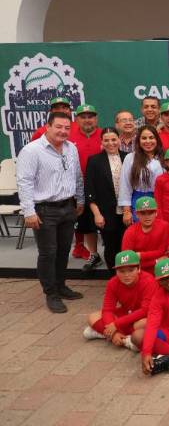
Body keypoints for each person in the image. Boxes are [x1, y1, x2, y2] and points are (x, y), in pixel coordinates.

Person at [17, 111, 85, 313]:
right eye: (58, 127)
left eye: (67, 128)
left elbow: (77, 176)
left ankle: (61, 286)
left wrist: (79, 199)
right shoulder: (31, 151)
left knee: (63, 251)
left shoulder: (71, 148)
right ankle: (51, 294)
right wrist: (28, 211)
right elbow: (24, 182)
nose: (63, 131)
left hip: (67, 207)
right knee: (48, 253)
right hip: (44, 210)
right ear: (47, 126)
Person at [83, 250, 155, 352]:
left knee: (148, 322)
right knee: (93, 316)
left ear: (139, 269)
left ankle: (103, 333)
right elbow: (108, 309)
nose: (126, 275)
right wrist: (114, 333)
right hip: (126, 314)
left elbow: (145, 310)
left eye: (131, 270)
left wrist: (116, 325)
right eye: (121, 271)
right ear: (116, 271)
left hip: (142, 316)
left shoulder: (148, 280)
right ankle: (123, 339)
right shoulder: (113, 282)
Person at [84, 127, 128, 270]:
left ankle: (128, 277)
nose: (111, 143)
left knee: (126, 245)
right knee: (110, 246)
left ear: (119, 140)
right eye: (106, 140)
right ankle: (114, 278)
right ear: (101, 142)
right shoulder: (94, 161)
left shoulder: (128, 157)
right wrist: (97, 214)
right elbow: (89, 190)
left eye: (114, 139)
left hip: (127, 210)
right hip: (105, 212)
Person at [69, 104, 103, 263]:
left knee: (106, 222)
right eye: (83, 117)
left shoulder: (105, 134)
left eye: (91, 116)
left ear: (96, 118)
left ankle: (110, 253)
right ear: (77, 119)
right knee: (88, 223)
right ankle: (93, 254)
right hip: (79, 186)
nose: (87, 120)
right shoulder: (69, 137)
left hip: (103, 186)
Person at [118, 125, 164, 224]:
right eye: (144, 138)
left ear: (157, 139)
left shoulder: (164, 157)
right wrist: (126, 211)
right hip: (138, 201)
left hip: (162, 202)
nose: (148, 141)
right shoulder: (130, 158)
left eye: (151, 138)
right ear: (138, 141)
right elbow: (125, 185)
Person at [120, 196, 169, 274]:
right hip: (138, 271)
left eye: (150, 213)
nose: (147, 217)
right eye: (143, 213)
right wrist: (156, 260)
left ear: (156, 213)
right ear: (136, 214)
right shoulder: (130, 232)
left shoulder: (164, 226)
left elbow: (162, 251)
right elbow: (127, 260)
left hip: (161, 268)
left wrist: (140, 255)